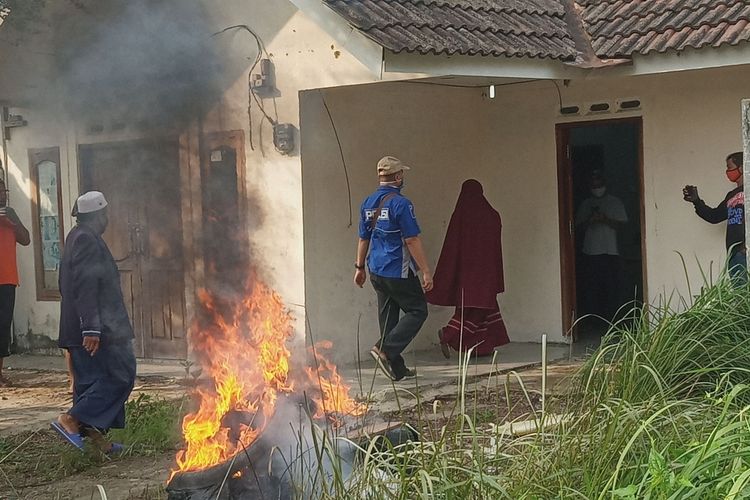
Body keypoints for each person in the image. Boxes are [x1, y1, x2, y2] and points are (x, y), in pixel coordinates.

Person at [51, 191, 135, 453]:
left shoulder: (76, 237)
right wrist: (91, 328)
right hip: (97, 330)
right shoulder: (87, 240)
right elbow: (86, 286)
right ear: (99, 216)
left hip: (82, 329)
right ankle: (71, 420)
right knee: (120, 375)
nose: (107, 219)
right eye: (105, 214)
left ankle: (97, 444)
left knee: (90, 383)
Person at [354, 156, 432, 381]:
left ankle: (397, 370)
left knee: (388, 320)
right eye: (402, 175)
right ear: (398, 177)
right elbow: (412, 240)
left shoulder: (368, 202)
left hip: (375, 270)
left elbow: (363, 238)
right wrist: (425, 270)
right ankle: (385, 349)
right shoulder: (401, 204)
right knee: (418, 310)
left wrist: (359, 267)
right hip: (398, 269)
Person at [426, 180, 510, 358]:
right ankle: (449, 334)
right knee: (481, 308)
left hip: (465, 273)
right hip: (486, 273)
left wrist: (450, 274)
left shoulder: (460, 217)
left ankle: (480, 347)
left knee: (472, 308)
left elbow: (451, 247)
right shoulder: (492, 215)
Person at [575, 170, 628, 323]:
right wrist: (590, 220)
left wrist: (605, 219)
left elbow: (623, 227)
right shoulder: (586, 204)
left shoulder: (615, 202)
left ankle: (613, 321)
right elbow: (576, 229)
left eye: (599, 184)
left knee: (612, 288)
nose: (597, 188)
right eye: (593, 185)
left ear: (605, 184)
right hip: (591, 252)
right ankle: (594, 321)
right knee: (592, 289)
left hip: (612, 252)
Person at [683, 152, 746, 281]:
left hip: (745, 252)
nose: (727, 171)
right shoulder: (731, 195)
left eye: (729, 167)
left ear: (741, 168)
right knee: (741, 296)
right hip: (734, 254)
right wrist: (696, 201)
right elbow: (714, 216)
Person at [0, 178, 30, 386]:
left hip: (7, 279)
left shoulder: (9, 215)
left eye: (4, 190)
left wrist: (13, 219)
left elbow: (26, 239)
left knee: (2, 328)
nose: (3, 194)